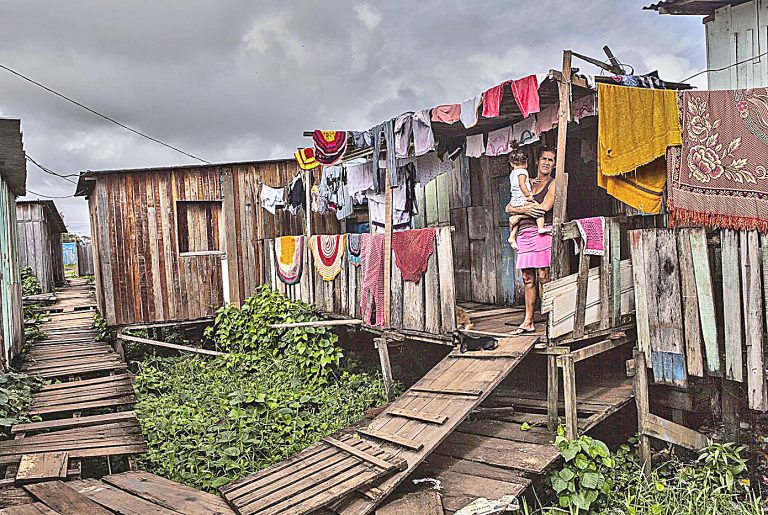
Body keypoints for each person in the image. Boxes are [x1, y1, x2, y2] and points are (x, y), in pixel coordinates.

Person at [506, 147, 556, 334]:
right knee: (528, 278)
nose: (546, 162)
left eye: (551, 160)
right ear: (537, 161)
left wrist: (520, 212)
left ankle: (552, 320)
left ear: (554, 164)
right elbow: (508, 207)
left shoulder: (553, 183)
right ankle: (528, 321)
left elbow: (544, 207)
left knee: (543, 276)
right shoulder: (527, 181)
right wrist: (520, 212)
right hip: (524, 235)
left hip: (542, 233)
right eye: (544, 158)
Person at [506, 149, 549, 250]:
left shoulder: (513, 173)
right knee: (539, 210)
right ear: (526, 163)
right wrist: (528, 195)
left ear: (512, 164)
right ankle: (541, 227)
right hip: (523, 199)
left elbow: (522, 181)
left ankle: (512, 236)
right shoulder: (523, 172)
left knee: (515, 218)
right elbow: (522, 184)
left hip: (515, 200)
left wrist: (531, 180)